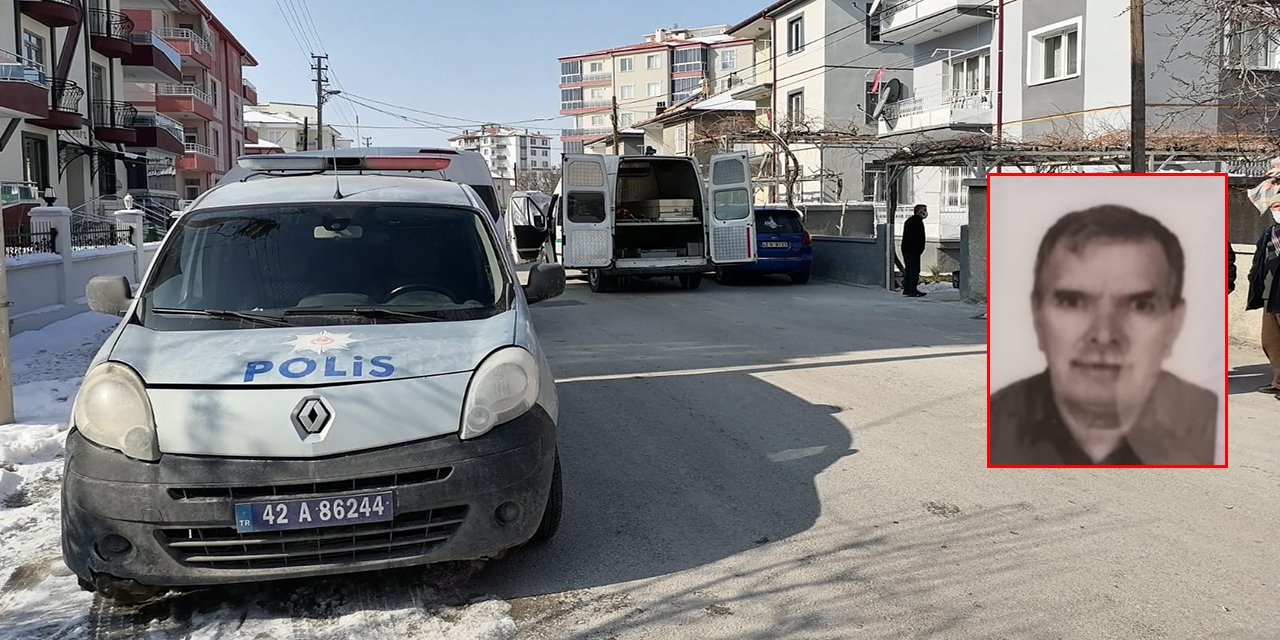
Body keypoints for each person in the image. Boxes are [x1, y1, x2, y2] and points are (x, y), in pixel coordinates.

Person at [989, 204, 1218, 465]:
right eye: (1072, 302)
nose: (1104, 334)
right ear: (1037, 316)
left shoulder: (1209, 421)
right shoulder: (1000, 418)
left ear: (1175, 323)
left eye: (1140, 306)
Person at [1245, 202, 1280, 397]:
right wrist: (1253, 279)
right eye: (1274, 207)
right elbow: (1259, 260)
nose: (1276, 211)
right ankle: (1279, 381)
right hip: (1270, 296)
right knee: (1271, 342)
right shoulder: (1270, 233)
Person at [901, 204, 927, 297]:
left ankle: (907, 289)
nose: (925, 213)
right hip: (913, 250)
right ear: (919, 211)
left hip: (907, 249)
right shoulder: (916, 222)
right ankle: (912, 290)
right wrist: (919, 249)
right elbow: (917, 238)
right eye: (924, 210)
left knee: (909, 270)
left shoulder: (910, 220)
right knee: (914, 270)